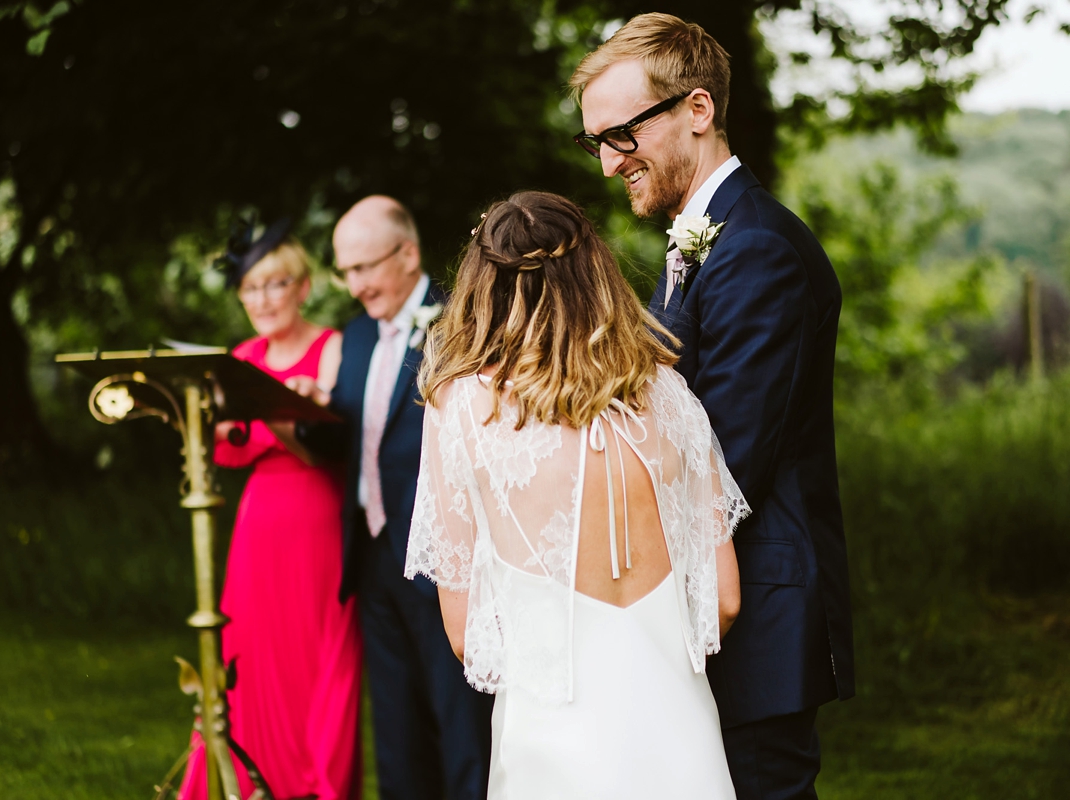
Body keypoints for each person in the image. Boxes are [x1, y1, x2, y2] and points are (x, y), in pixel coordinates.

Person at [570, 13, 855, 799]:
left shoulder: (756, 250)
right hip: (709, 610)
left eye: (622, 133)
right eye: (595, 140)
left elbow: (723, 462)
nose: (606, 163)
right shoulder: (703, 242)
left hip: (753, 618)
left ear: (698, 109)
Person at [404, 191, 748, 798]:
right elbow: (722, 598)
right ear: (596, 275)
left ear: (484, 288)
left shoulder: (461, 407)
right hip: (677, 730)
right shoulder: (667, 393)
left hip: (551, 733)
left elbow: (465, 633)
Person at [290, 196, 494, 800]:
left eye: (365, 267)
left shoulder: (460, 321)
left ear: (407, 254)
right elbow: (356, 438)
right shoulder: (354, 339)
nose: (355, 285)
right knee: (397, 729)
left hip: (444, 554)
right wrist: (311, 412)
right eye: (345, 271)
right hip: (375, 556)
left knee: (461, 723)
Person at [178, 224, 362, 800]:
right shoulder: (240, 358)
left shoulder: (331, 347)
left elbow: (321, 445)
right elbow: (224, 449)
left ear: (303, 287)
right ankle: (242, 784)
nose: (261, 299)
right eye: (249, 289)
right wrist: (284, 414)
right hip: (259, 528)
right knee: (248, 659)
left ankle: (316, 785)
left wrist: (265, 421)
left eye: (275, 284)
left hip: (318, 522)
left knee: (318, 663)